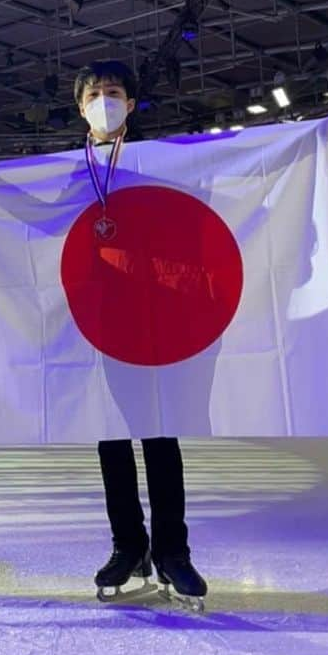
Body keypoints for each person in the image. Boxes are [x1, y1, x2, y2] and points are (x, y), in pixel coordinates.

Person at [73, 58, 208, 608]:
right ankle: (128, 546)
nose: (105, 100)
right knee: (111, 436)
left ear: (130, 105)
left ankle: (173, 551)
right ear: (80, 108)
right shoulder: (66, 169)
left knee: (159, 434)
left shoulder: (158, 164)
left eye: (114, 92)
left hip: (155, 316)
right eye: (95, 93)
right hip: (95, 321)